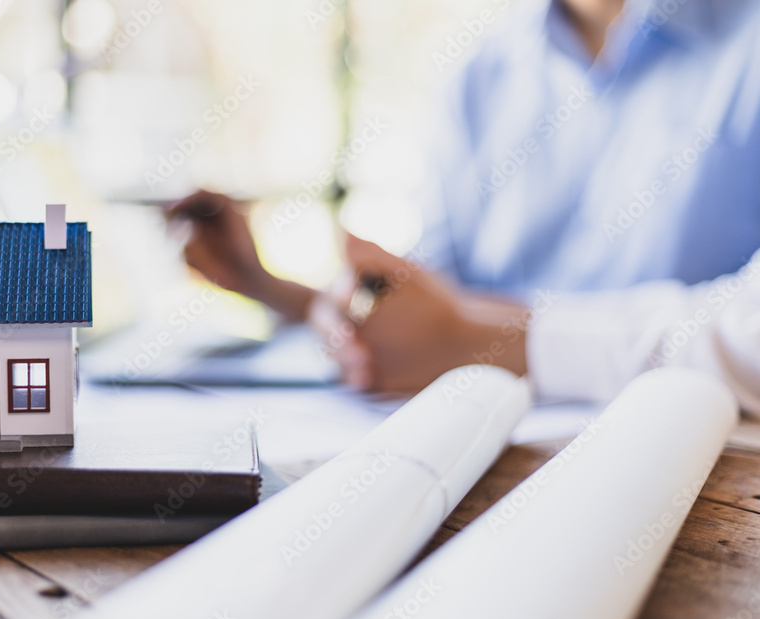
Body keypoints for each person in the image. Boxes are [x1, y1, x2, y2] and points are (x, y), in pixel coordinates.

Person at [166, 0, 760, 416]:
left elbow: (744, 335)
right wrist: (277, 289)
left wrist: (470, 336)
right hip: (486, 453)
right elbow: (442, 316)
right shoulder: (480, 74)